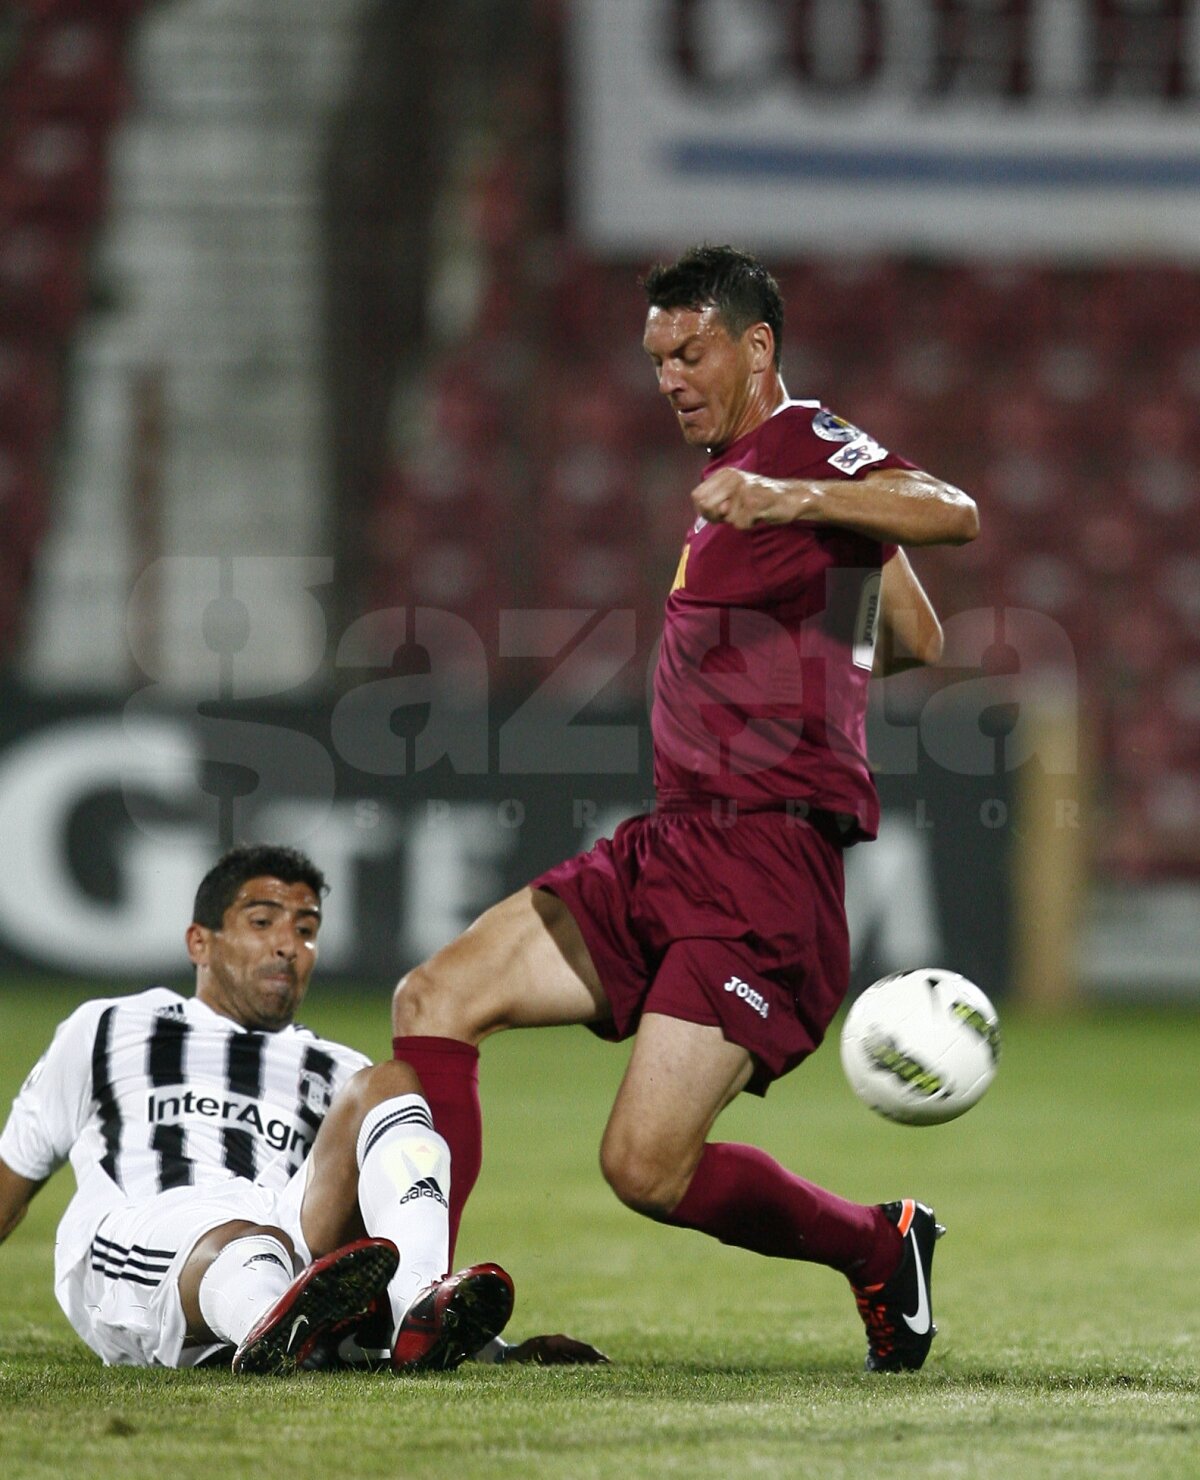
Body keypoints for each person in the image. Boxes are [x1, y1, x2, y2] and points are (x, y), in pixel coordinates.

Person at [391, 245, 980, 1372]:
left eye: (690, 349)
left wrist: (797, 499)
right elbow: (917, 637)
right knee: (437, 995)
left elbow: (951, 511)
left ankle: (878, 1243)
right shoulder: (744, 477)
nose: (669, 375)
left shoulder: (796, 447)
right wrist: (830, 623)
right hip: (669, 842)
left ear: (757, 346)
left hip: (764, 867)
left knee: (644, 1169)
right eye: (656, 355)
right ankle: (422, 1305)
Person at [0, 843, 603, 1374]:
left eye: (307, 929)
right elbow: (13, 1179)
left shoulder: (335, 1066)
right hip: (144, 1237)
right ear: (200, 941)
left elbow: (360, 1218)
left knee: (389, 1082)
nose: (289, 945)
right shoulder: (107, 1029)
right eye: (262, 921)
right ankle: (279, 1321)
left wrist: (500, 1349)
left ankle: (416, 1310)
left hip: (288, 1250)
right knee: (244, 1241)